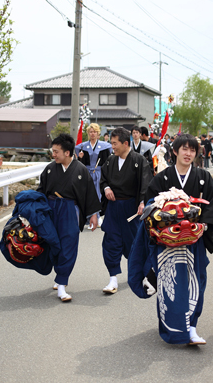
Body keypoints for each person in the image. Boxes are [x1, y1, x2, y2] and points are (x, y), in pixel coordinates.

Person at [128, 133, 213, 345]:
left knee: (195, 282)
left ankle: (193, 327)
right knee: (170, 283)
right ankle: (172, 328)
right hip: (167, 243)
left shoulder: (204, 177)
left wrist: (202, 225)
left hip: (194, 240)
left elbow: (211, 206)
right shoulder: (162, 177)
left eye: (192, 150)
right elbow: (150, 205)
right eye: (184, 149)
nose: (188, 153)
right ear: (175, 151)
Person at [37, 134, 101, 302]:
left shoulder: (80, 170)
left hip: (70, 210)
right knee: (53, 244)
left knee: (69, 246)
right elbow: (40, 191)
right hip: (51, 209)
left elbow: (89, 195)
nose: (53, 155)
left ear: (67, 153)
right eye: (53, 151)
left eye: (56, 152)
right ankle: (60, 275)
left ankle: (62, 284)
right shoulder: (50, 169)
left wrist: (93, 215)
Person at [99, 128, 152, 294]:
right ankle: (113, 278)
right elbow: (103, 179)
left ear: (125, 143)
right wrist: (106, 188)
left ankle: (143, 274)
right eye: (111, 143)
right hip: (114, 208)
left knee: (135, 243)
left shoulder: (139, 160)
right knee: (111, 242)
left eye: (115, 143)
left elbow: (146, 184)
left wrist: (143, 202)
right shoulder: (109, 160)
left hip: (132, 209)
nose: (112, 146)